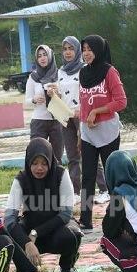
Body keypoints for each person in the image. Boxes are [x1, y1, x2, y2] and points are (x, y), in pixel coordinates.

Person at [4, 138, 82, 272]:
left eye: (44, 163)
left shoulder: (60, 174)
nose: (39, 168)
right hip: (30, 234)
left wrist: (36, 233)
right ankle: (24, 270)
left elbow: (65, 214)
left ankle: (67, 266)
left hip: (55, 229)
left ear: (50, 162)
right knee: (11, 234)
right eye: (34, 163)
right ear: (28, 162)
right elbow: (9, 220)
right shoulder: (21, 179)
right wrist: (27, 242)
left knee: (73, 234)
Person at [78, 35, 127, 232]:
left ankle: (116, 217)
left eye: (90, 49)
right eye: (84, 49)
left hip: (108, 131)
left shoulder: (109, 72)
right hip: (87, 133)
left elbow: (121, 101)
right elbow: (82, 105)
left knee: (112, 176)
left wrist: (97, 111)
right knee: (87, 176)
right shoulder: (82, 73)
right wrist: (79, 135)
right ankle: (85, 219)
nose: (86, 53)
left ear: (99, 50)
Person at [57, 36, 109, 204]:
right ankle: (77, 192)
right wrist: (54, 94)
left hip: (82, 116)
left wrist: (84, 112)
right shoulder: (61, 71)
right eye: (65, 49)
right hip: (65, 116)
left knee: (90, 153)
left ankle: (104, 189)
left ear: (77, 50)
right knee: (72, 155)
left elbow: (87, 93)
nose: (68, 52)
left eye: (71, 48)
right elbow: (62, 93)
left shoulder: (85, 69)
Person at [25, 45, 64, 162]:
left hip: (57, 121)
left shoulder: (60, 75)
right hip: (39, 121)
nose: (42, 58)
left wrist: (58, 94)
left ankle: (56, 180)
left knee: (57, 158)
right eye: (39, 56)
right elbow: (26, 102)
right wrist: (34, 99)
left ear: (50, 56)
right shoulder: (33, 77)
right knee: (36, 155)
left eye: (45, 55)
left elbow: (67, 98)